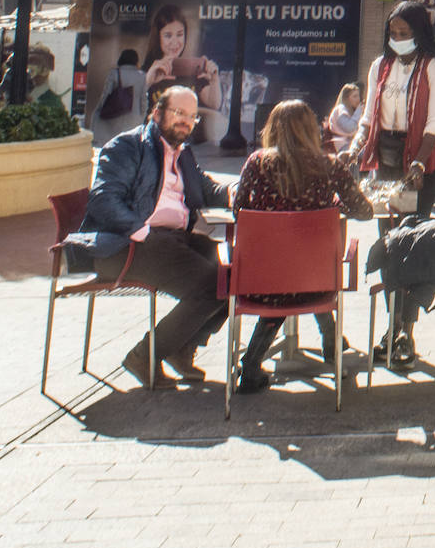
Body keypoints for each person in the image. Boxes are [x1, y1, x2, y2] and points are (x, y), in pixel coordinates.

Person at [64, 87, 230, 388]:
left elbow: (206, 188)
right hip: (126, 244)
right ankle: (146, 355)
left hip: (171, 241)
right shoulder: (127, 146)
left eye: (192, 117)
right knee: (212, 284)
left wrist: (233, 194)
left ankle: (181, 348)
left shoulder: (183, 153)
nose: (187, 122)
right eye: (179, 114)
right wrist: (141, 232)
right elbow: (103, 198)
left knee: (234, 281)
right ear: (157, 113)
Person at [232, 100, 374, 393]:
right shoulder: (329, 166)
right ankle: (332, 351)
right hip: (317, 280)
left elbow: (238, 212)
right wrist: (333, 205)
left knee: (286, 280)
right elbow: (364, 211)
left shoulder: (255, 163)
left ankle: (251, 365)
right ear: (312, 129)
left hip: (262, 280)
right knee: (306, 273)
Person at [344, 2, 435, 219]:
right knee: (387, 223)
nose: (397, 39)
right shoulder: (380, 66)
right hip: (388, 153)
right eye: (393, 33)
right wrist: (353, 150)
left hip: (423, 154)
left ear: (419, 33)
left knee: (413, 224)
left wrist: (419, 163)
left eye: (404, 33)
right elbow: (369, 118)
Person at [141, 4, 220, 111]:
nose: (175, 42)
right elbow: (133, 107)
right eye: (168, 36)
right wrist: (148, 81)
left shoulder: (194, 70)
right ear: (158, 37)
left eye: (179, 34)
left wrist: (214, 81)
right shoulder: (149, 71)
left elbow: (214, 104)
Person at [89, 49, 149, 146]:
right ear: (136, 61)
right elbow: (144, 100)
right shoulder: (142, 76)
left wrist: (99, 111)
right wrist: (141, 116)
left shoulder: (114, 73)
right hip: (134, 119)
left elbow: (105, 95)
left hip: (114, 118)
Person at [326, 83, 363, 152]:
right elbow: (349, 128)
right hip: (341, 145)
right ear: (347, 98)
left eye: (358, 96)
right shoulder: (340, 109)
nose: (358, 99)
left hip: (349, 143)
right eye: (355, 96)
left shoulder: (351, 111)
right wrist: (359, 111)